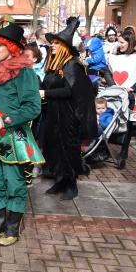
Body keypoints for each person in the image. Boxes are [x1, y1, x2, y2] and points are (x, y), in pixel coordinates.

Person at [0, 23, 44, 247]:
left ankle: (12, 229)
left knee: (14, 183)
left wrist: (4, 120)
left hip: (14, 138)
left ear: (12, 48)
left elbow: (33, 108)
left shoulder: (25, 74)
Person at [41, 17, 97, 199]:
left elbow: (70, 91)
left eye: (56, 43)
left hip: (67, 116)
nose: (52, 46)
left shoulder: (72, 65)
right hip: (53, 114)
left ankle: (71, 184)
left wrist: (45, 94)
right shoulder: (55, 65)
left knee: (68, 148)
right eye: (52, 43)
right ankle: (61, 181)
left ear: (65, 47)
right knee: (54, 148)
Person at [109, 29, 136, 168]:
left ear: (129, 42)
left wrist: (133, 88)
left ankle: (123, 151)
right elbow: (107, 71)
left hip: (132, 96)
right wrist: (113, 85)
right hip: (116, 94)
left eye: (122, 42)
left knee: (128, 125)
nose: (119, 44)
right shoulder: (114, 56)